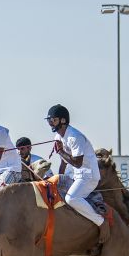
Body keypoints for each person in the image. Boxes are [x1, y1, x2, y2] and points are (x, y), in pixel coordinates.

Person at [46, 103, 109, 242]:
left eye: (54, 120)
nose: (51, 123)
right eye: (49, 121)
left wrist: (61, 151)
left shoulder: (75, 137)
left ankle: (101, 223)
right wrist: (57, 178)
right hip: (76, 176)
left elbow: (77, 162)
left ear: (63, 120)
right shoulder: (58, 136)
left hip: (89, 176)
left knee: (71, 199)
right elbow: (63, 162)